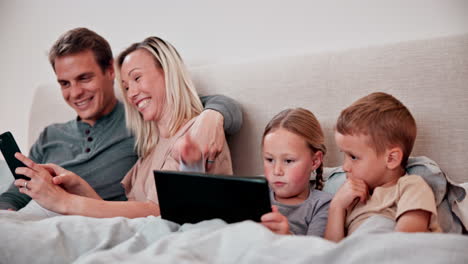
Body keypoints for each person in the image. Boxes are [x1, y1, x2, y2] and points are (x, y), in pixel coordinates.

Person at [0, 28, 242, 211]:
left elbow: (156, 211)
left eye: (84, 78)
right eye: (64, 83)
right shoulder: (49, 136)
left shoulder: (143, 122)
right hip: (47, 214)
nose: (75, 93)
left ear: (109, 72)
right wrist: (75, 186)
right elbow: (15, 194)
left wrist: (213, 116)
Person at [324, 92, 442, 242]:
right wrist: (337, 206)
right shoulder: (350, 198)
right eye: (344, 155)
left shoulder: (411, 186)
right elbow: (331, 250)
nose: (345, 167)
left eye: (353, 157)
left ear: (391, 158)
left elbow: (406, 242)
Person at [260, 108, 332, 236]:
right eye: (270, 159)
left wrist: (287, 236)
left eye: (288, 161)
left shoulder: (322, 205)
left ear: (315, 161)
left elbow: (318, 253)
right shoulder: (254, 194)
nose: (277, 171)